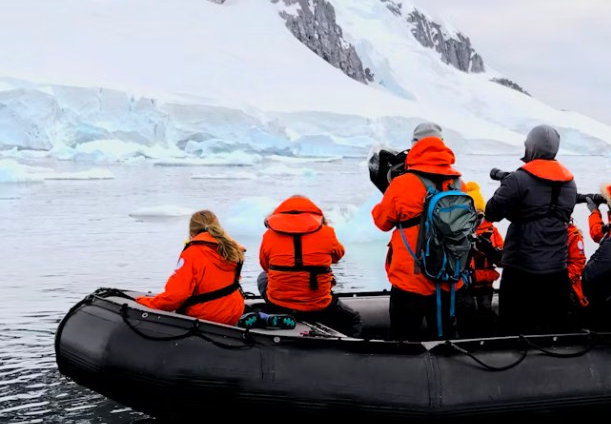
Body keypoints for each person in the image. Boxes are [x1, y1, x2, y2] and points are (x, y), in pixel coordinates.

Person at [372, 122, 464, 340]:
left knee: (403, 339)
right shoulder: (459, 183)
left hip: (411, 280)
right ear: (442, 144)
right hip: (448, 278)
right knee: (445, 341)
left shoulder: (403, 183)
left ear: (415, 145)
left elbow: (382, 222)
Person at [484, 124, 577, 335]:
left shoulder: (518, 179)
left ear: (531, 147)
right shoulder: (570, 183)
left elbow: (491, 213)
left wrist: (505, 186)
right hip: (557, 270)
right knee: (552, 332)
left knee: (514, 330)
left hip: (521, 270)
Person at [258, 195, 362, 335]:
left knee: (263, 276)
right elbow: (338, 256)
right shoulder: (327, 233)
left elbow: (265, 266)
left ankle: (273, 314)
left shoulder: (269, 236)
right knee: (354, 319)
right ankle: (348, 347)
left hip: (279, 304)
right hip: (318, 305)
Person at [137, 210, 245, 326]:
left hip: (208, 314)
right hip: (234, 311)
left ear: (192, 230)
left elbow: (175, 296)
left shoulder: (193, 253)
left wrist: (144, 302)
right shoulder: (233, 250)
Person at [456, 180, 503, 337]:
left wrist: (489, 250)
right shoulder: (456, 232)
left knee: (485, 313)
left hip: (485, 286)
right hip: (463, 287)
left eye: (479, 215)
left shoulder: (492, 232)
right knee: (465, 314)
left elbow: (503, 261)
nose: (475, 220)